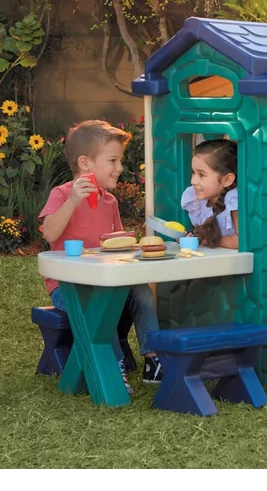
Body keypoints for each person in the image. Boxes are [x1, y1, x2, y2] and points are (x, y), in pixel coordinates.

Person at [39, 120, 163, 393]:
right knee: (100, 303)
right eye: (113, 160)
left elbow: (117, 244)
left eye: (120, 161)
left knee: (141, 291)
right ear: (85, 163)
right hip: (68, 287)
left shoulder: (110, 201)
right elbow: (49, 233)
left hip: (106, 281)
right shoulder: (62, 194)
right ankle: (112, 365)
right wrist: (73, 202)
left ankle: (154, 360)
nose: (120, 168)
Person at [181, 139, 238, 249]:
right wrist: (192, 238)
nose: (193, 181)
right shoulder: (197, 202)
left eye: (201, 175)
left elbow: (240, 240)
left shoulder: (232, 200)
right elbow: (201, 233)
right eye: (193, 173)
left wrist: (208, 241)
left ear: (227, 180)